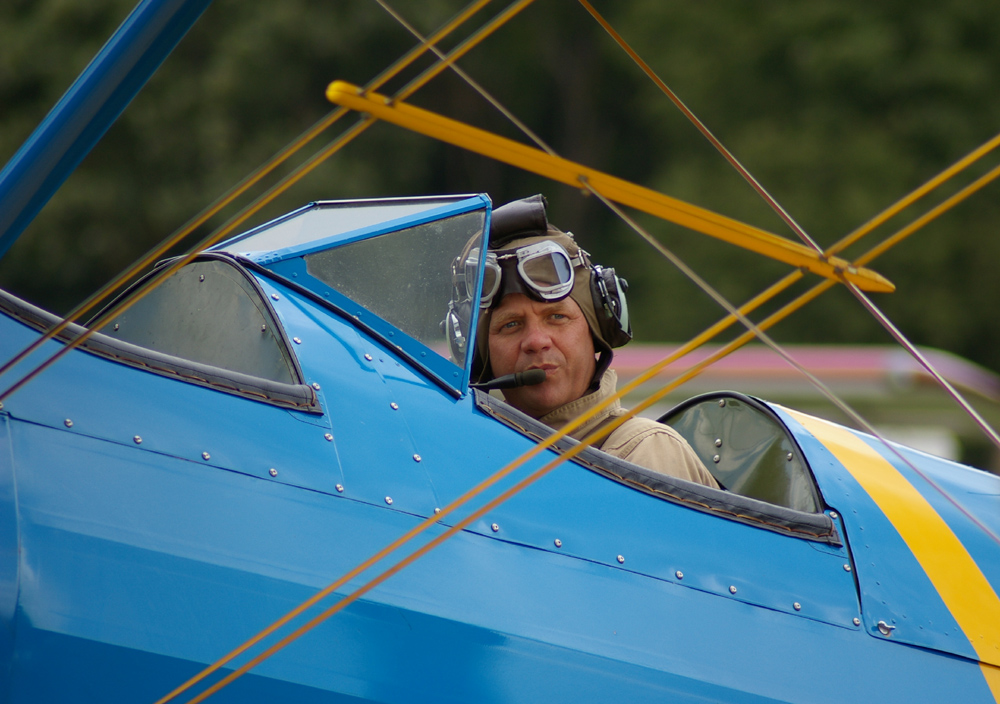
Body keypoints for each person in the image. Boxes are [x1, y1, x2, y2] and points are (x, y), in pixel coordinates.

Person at [472, 195, 719, 489]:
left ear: (596, 330)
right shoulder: (476, 457)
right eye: (511, 325)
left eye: (557, 317)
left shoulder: (641, 454)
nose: (536, 341)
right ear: (479, 353)